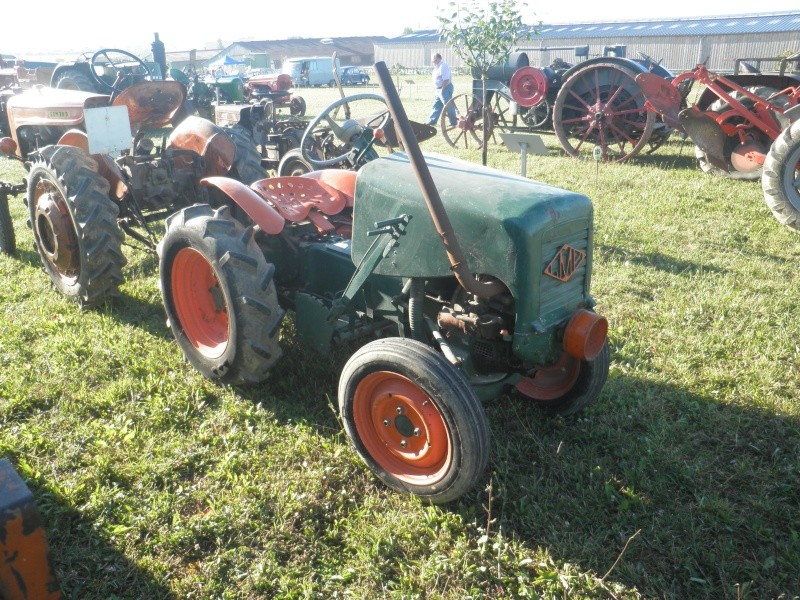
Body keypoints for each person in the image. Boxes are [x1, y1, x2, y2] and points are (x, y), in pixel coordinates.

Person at [427, 53, 457, 127]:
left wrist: (442, 90)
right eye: (433, 59)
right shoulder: (436, 67)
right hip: (439, 89)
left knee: (448, 105)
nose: (433, 60)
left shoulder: (443, 66)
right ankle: (432, 121)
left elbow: (446, 79)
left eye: (435, 59)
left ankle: (453, 122)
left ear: (439, 58)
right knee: (436, 105)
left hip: (445, 88)